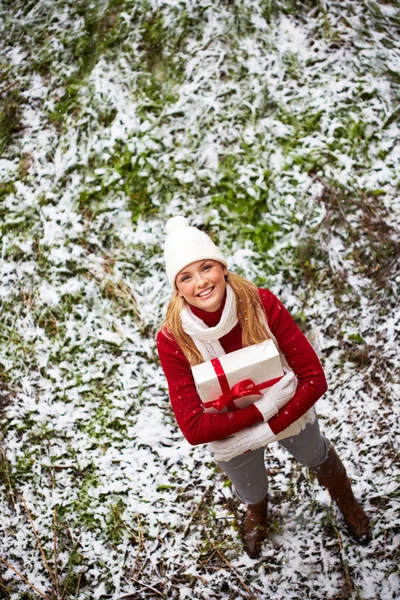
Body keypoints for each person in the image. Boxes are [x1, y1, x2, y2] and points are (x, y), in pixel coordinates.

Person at [156, 215, 370, 558]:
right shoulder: (173, 338)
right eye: (186, 276)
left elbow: (313, 378)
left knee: (315, 454)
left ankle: (345, 498)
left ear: (223, 267)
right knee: (248, 485)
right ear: (177, 288)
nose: (200, 282)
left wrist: (277, 416)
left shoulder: (260, 303)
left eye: (207, 267)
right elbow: (194, 428)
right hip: (231, 430)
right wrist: (264, 413)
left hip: (291, 408)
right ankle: (257, 510)